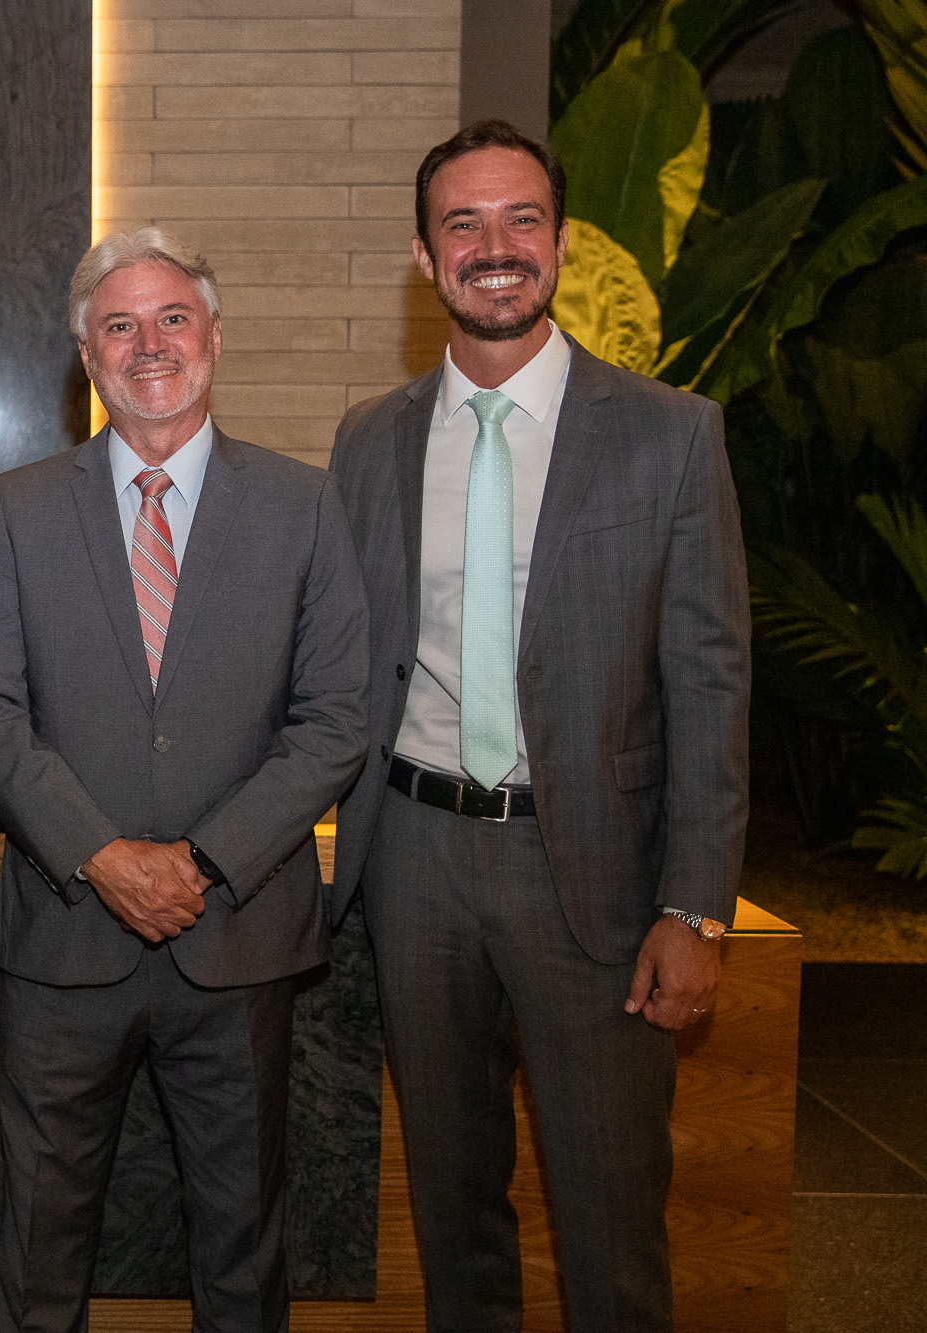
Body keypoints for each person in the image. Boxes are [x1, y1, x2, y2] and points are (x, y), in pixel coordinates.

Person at [327, 119, 750, 1333]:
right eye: (461, 224)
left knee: (612, 1217)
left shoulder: (669, 434)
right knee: (452, 1208)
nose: (492, 247)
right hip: (410, 860)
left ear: (559, 243)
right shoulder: (372, 438)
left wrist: (694, 903)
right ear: (424, 256)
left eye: (519, 220)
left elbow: (712, 678)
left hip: (599, 876)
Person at [0, 227, 370, 1333]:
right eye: (117, 326)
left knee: (243, 1250)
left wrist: (203, 860)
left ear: (214, 338)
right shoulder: (14, 508)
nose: (148, 345)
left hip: (237, 941)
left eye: (170, 318)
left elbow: (334, 721)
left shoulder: (301, 505)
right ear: (86, 359)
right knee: (38, 1249)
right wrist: (100, 853)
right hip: (61, 942)